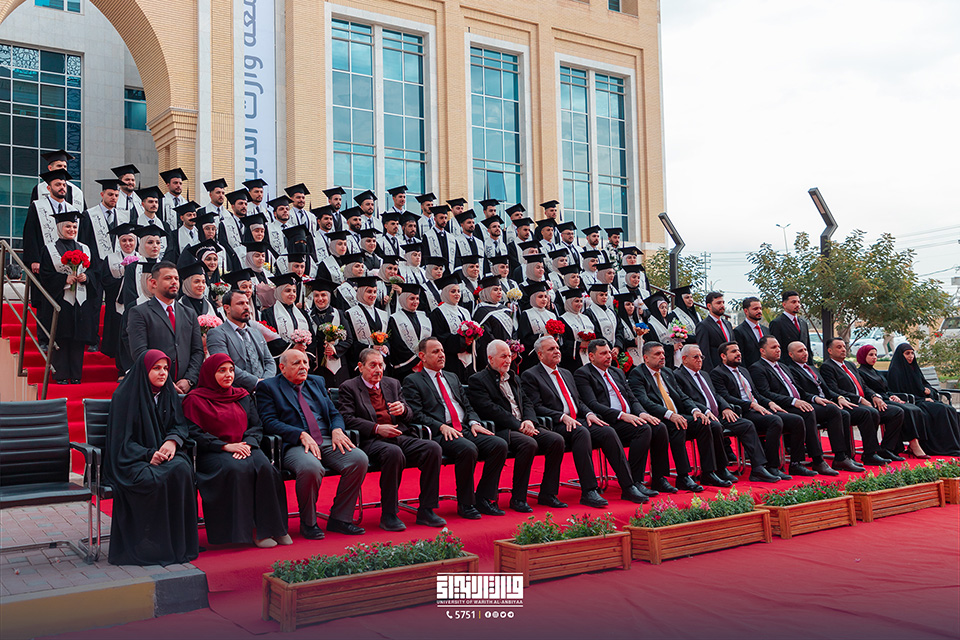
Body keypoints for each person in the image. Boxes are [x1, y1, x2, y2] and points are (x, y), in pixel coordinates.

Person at [521, 336, 646, 505]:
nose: (557, 351)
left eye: (557, 347)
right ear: (540, 355)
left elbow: (578, 401)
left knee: (607, 431)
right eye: (551, 349)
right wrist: (562, 416)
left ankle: (628, 486)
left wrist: (589, 414)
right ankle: (589, 490)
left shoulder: (566, 373)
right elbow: (535, 406)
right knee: (581, 432)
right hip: (554, 423)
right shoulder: (531, 375)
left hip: (577, 419)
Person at [256, 349, 367, 538]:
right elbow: (269, 422)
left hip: (326, 438)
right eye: (296, 363)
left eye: (305, 362)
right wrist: (299, 434)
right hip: (295, 443)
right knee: (311, 468)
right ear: (282, 367)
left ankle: (340, 518)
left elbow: (334, 413)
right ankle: (309, 522)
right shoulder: (268, 387)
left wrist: (337, 429)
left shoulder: (316, 382)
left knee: (358, 460)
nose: (303, 367)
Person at [103, 350, 199, 565]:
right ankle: (147, 543)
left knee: (182, 469)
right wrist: (148, 454)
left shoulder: (168, 393)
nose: (163, 373)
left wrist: (172, 441)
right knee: (151, 478)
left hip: (163, 454)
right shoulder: (125, 397)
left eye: (165, 368)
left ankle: (175, 543)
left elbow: (179, 425)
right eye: (156, 368)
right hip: (131, 460)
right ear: (144, 370)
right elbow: (121, 442)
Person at [184, 354, 290, 547]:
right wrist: (224, 446)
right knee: (237, 469)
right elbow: (193, 433)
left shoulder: (242, 396)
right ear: (209, 373)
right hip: (214, 451)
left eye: (231, 370)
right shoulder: (195, 399)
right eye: (222, 371)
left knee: (266, 468)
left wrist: (247, 444)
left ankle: (275, 528)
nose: (228, 375)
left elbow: (256, 426)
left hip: (245, 446)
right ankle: (250, 532)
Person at [337, 349, 446, 531]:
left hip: (399, 434)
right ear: (360, 367)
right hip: (371, 440)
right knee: (393, 453)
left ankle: (427, 510)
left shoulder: (392, 383)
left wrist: (403, 409)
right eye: (373, 365)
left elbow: (410, 415)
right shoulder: (349, 387)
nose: (378, 370)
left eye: (381, 365)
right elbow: (347, 418)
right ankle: (389, 514)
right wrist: (377, 428)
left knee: (432, 448)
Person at [402, 337, 508, 520]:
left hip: (463, 428)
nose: (441, 355)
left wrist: (474, 422)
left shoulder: (452, 377)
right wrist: (441, 426)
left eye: (442, 351)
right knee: (468, 449)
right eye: (435, 352)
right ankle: (466, 503)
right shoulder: (413, 380)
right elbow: (417, 414)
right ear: (422, 356)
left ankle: (483, 498)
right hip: (439, 432)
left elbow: (467, 406)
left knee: (499, 445)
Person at [469, 340, 569, 512]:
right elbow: (490, 410)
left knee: (556, 440)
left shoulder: (513, 376)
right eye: (503, 356)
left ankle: (548, 493)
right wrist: (518, 425)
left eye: (509, 356)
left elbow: (527, 402)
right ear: (490, 359)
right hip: (500, 429)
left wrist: (529, 420)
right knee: (528, 444)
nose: (508, 360)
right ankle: (518, 498)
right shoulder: (478, 380)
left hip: (523, 425)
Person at [673, 344, 780, 482]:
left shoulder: (704, 374)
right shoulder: (678, 376)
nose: (699, 360)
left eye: (701, 356)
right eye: (695, 357)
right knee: (715, 426)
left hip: (718, 414)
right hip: (700, 415)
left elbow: (716, 395)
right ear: (684, 359)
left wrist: (726, 407)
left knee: (746, 425)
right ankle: (720, 468)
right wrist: (705, 410)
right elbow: (685, 399)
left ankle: (758, 468)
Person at [574, 339, 665, 497]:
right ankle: (632, 483)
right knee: (643, 429)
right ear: (591, 356)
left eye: (609, 352)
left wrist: (641, 413)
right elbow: (592, 404)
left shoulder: (617, 372)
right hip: (607, 420)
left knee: (658, 426)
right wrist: (621, 415)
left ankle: (656, 479)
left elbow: (632, 398)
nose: (609, 356)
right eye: (603, 353)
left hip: (627, 417)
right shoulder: (583, 374)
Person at [627, 342, 721, 492]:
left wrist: (695, 410)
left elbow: (682, 396)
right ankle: (682, 476)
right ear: (646, 358)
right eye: (657, 354)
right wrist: (670, 415)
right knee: (677, 426)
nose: (662, 357)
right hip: (658, 417)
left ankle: (708, 472)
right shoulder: (637, 374)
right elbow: (644, 401)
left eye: (663, 353)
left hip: (677, 415)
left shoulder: (667, 372)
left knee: (703, 422)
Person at [750, 336, 840, 477]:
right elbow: (765, 393)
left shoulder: (783, 366)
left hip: (797, 403)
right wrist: (793, 401)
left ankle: (841, 457)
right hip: (780, 406)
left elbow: (799, 390)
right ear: (762, 351)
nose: (778, 350)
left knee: (832, 409)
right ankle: (813, 461)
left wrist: (814, 398)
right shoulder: (757, 368)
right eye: (773, 347)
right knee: (806, 413)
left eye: (779, 347)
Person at [709, 341, 792, 480]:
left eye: (738, 350)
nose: (738, 354)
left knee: (784, 419)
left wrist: (770, 403)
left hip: (756, 408)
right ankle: (762, 468)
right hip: (741, 411)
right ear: (723, 356)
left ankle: (773, 466)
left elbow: (756, 394)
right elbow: (725, 396)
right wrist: (751, 405)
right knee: (773, 420)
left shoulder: (744, 371)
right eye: (734, 351)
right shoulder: (717, 373)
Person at [820, 338, 905, 466]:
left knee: (896, 412)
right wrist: (859, 399)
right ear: (830, 351)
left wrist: (874, 396)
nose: (843, 349)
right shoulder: (827, 367)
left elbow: (863, 386)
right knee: (869, 412)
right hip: (847, 403)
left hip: (864, 402)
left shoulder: (850, 365)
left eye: (844, 346)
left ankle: (886, 449)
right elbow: (833, 389)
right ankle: (870, 454)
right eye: (839, 347)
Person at [782, 341, 864, 472]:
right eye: (800, 351)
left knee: (844, 413)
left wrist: (839, 397)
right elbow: (800, 392)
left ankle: (843, 457)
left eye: (805, 350)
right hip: (809, 403)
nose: (805, 353)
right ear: (791, 355)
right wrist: (815, 398)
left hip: (823, 402)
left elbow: (827, 390)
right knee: (832, 410)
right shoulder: (791, 369)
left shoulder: (812, 368)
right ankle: (819, 460)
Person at [39, 211, 99, 384]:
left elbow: (95, 271)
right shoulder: (49, 249)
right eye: (67, 226)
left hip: (81, 300)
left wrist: (87, 278)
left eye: (74, 226)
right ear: (59, 227)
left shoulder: (85, 248)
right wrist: (64, 279)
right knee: (61, 337)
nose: (72, 229)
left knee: (78, 339)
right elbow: (45, 275)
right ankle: (61, 375)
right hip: (61, 300)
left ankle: (76, 375)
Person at [126, 261, 204, 391]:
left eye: (176, 279)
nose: (174, 282)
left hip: (186, 388)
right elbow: (140, 352)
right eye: (168, 278)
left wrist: (189, 379)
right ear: (153, 283)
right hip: (153, 387)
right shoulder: (139, 313)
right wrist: (165, 380)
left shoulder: (189, 313)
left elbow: (197, 351)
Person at [855, 345, 930, 458]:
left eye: (875, 355)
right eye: (870, 355)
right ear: (862, 356)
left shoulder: (875, 371)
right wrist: (879, 396)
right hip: (874, 402)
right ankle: (911, 444)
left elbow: (885, 389)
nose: (874, 357)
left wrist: (893, 396)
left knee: (914, 409)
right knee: (903, 410)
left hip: (886, 398)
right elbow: (865, 390)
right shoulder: (860, 372)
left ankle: (914, 443)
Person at [886, 343, 960, 455]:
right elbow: (898, 393)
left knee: (950, 410)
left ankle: (953, 444)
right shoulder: (896, 371)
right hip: (913, 402)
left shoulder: (914, 368)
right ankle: (941, 446)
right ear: (901, 355)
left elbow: (926, 385)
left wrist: (929, 391)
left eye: (912, 353)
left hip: (923, 400)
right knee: (941, 410)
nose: (911, 356)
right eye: (907, 353)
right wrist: (922, 400)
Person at [206, 290, 277, 392]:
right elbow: (223, 365)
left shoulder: (256, 333)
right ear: (227, 308)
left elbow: (269, 361)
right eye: (240, 303)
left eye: (247, 303)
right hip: (235, 393)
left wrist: (266, 381)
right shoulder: (217, 334)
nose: (246, 307)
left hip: (264, 392)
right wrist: (256, 382)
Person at [694, 291, 735, 373]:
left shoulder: (727, 324)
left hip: (731, 369)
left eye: (723, 303)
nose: (722, 306)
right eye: (718, 303)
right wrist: (710, 373)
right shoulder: (703, 325)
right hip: (716, 370)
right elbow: (704, 352)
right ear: (709, 306)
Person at [769, 290, 812, 359]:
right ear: (784, 305)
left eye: (798, 302)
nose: (797, 305)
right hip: (787, 363)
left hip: (804, 363)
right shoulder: (777, 323)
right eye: (793, 302)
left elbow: (808, 347)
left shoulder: (803, 323)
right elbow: (776, 348)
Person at [733, 296, 769, 368]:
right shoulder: (739, 331)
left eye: (760, 308)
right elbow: (741, 356)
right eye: (755, 309)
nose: (759, 311)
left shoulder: (766, 330)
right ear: (746, 311)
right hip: (751, 369)